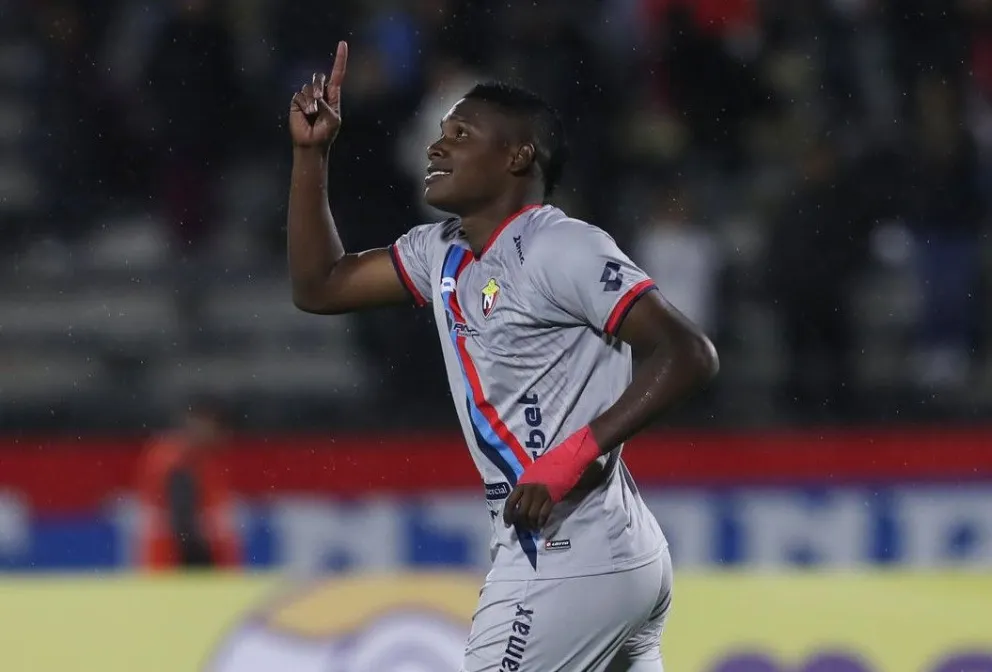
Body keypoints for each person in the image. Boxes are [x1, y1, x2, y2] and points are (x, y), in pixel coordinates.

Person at [287, 41, 718, 672]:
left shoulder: (562, 247)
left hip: (568, 553)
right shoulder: (441, 250)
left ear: (517, 156)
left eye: (461, 133)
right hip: (608, 553)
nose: (437, 146)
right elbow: (318, 287)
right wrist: (311, 155)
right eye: (440, 132)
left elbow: (688, 353)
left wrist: (571, 454)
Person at [135, 399, 241, 570]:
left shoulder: (195, 458)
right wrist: (202, 567)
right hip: (178, 569)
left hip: (172, 565)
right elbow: (183, 523)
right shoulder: (181, 461)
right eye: (219, 428)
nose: (224, 435)